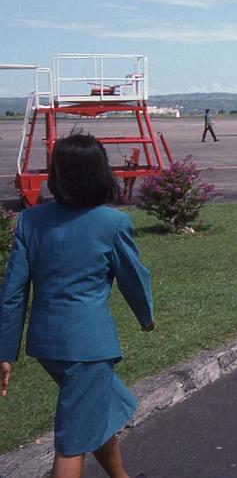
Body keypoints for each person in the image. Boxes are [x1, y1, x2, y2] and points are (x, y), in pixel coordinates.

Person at [0, 133, 155, 478]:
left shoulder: (31, 221)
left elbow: (12, 292)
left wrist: (5, 351)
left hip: (47, 345)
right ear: (100, 173)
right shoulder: (112, 223)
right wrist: (146, 317)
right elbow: (134, 277)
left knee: (97, 411)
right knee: (72, 441)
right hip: (88, 347)